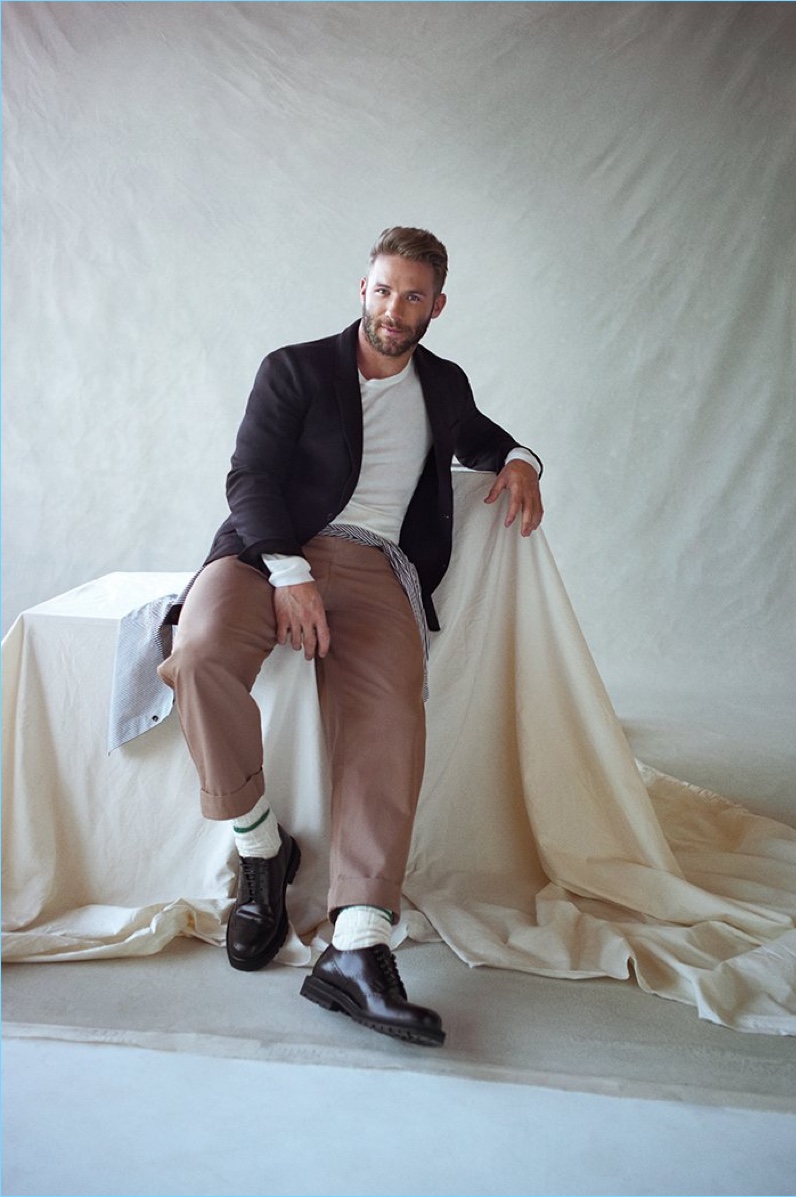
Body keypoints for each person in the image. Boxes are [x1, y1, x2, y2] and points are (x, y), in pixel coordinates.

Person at [158, 227, 543, 1047]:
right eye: (381, 290)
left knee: (390, 714)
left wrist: (521, 459)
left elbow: (483, 437)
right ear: (360, 288)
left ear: (436, 306)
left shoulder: (442, 383)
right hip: (268, 553)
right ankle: (262, 846)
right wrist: (288, 571)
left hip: (373, 571)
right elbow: (250, 477)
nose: (392, 310)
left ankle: (359, 948)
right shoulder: (295, 369)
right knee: (196, 656)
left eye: (412, 296)